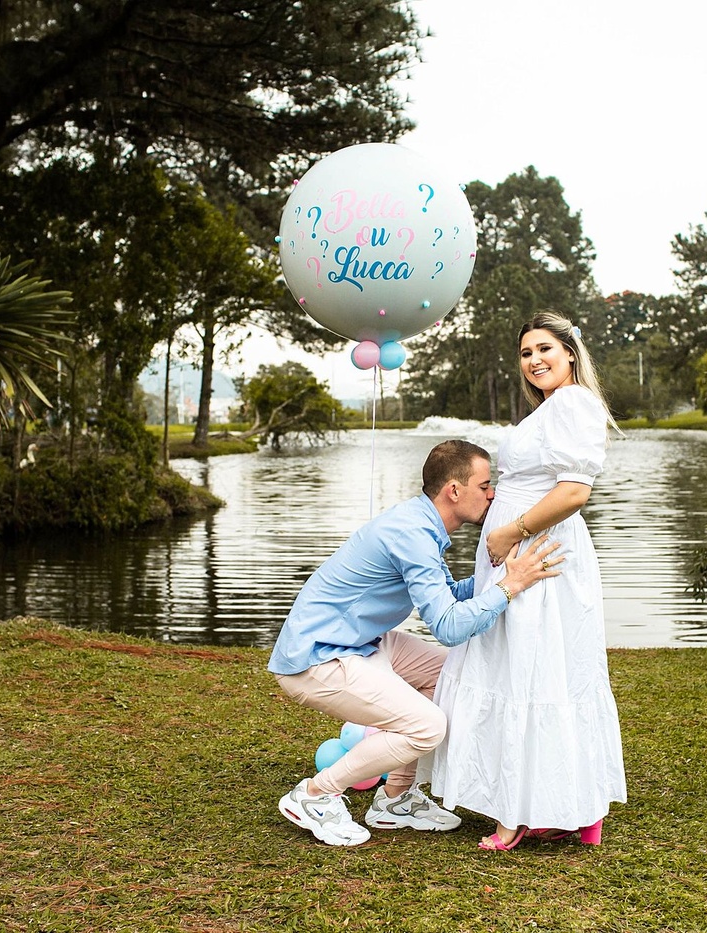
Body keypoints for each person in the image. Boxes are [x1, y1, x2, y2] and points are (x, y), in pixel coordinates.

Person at [269, 439, 564, 847]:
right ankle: (316, 795)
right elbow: (447, 626)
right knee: (428, 727)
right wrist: (509, 588)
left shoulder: (421, 524)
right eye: (484, 485)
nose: (492, 494)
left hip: (361, 642)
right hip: (317, 657)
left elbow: (447, 594)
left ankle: (395, 799)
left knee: (450, 676)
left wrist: (498, 575)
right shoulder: (413, 533)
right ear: (454, 491)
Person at [419, 311, 627, 851]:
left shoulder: (573, 403)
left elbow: (574, 491)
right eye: (526, 353)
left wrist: (510, 531)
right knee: (537, 667)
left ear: (570, 353)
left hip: (535, 551)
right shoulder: (552, 407)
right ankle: (571, 809)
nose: (534, 360)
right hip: (523, 549)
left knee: (529, 670)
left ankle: (516, 813)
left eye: (544, 349)